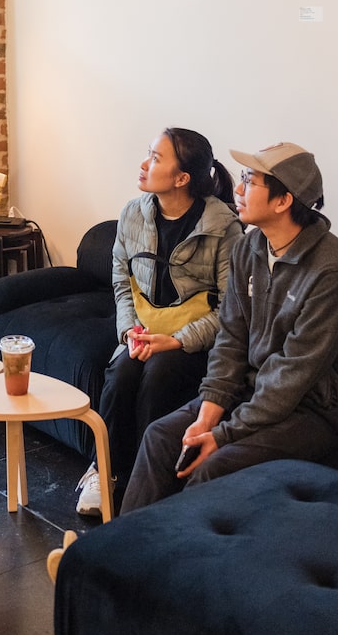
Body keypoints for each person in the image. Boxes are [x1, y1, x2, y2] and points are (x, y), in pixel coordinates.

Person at [120, 142, 338, 513]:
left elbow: (293, 375)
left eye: (250, 181)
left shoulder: (333, 274)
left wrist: (223, 434)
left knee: (212, 465)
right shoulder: (250, 248)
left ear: (282, 201)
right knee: (162, 436)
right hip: (258, 389)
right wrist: (208, 413)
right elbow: (230, 339)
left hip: (326, 409)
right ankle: (119, 559)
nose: (237, 190)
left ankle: (176, 565)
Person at [75, 127, 243, 516]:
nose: (143, 164)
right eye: (148, 153)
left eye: (155, 157)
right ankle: (104, 472)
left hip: (194, 339)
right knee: (121, 374)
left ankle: (142, 479)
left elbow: (231, 310)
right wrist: (127, 330)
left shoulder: (223, 227)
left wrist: (179, 341)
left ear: (182, 178)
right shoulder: (133, 213)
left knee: (159, 373)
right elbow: (121, 281)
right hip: (144, 329)